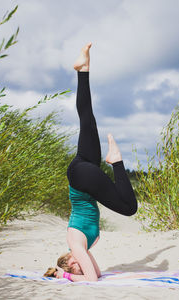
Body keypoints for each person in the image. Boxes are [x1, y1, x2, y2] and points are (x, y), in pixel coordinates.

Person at [44, 42, 137, 282]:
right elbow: (95, 274)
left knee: (129, 208)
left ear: (67, 259)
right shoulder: (83, 247)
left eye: (73, 265)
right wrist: (74, 273)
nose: (78, 266)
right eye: (76, 268)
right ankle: (82, 69)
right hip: (82, 169)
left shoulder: (75, 244)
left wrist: (65, 275)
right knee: (87, 118)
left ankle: (116, 160)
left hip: (82, 177)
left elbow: (91, 282)